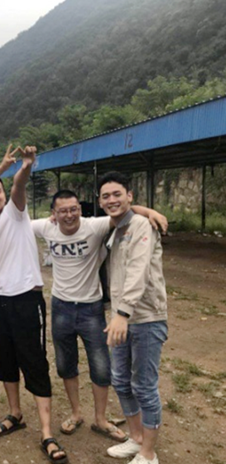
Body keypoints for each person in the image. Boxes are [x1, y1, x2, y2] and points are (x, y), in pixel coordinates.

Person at [31, 190, 166, 443]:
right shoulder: (45, 228)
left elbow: (123, 212)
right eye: (63, 211)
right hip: (61, 306)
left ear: (80, 210)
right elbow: (14, 223)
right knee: (65, 364)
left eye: (74, 209)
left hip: (91, 308)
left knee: (101, 366)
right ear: (53, 214)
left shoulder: (94, 226)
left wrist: (149, 211)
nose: (69, 215)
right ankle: (75, 413)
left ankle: (101, 419)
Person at [0, 145, 67, 463]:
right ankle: (15, 413)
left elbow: (18, 186)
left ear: (4, 195)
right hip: (0, 300)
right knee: (5, 361)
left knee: (35, 362)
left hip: (27, 298)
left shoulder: (15, 213)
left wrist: (25, 166)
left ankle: (47, 433)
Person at [98, 172, 168, 464]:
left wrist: (122, 312)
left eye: (118, 194)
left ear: (130, 195)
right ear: (100, 202)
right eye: (106, 196)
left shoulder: (141, 225)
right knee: (120, 380)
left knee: (144, 386)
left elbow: (139, 270)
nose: (111, 200)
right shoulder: (114, 228)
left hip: (145, 318)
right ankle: (136, 438)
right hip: (120, 319)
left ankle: (148, 454)